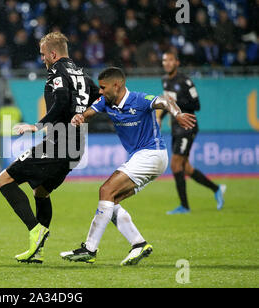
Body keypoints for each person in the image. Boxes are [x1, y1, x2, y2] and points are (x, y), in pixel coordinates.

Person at [60, 67, 196, 265]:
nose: (100, 91)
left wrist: (177, 114)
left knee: (105, 189)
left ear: (117, 85)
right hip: (144, 157)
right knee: (110, 201)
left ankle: (89, 249)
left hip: (151, 154)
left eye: (103, 87)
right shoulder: (106, 101)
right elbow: (89, 112)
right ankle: (138, 244)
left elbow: (165, 101)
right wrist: (80, 117)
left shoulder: (139, 99)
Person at [0, 32, 100, 264]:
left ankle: (36, 230)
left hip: (57, 143)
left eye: (43, 54)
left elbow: (61, 101)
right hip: (76, 146)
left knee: (3, 180)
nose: (43, 59)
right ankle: (37, 250)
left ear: (53, 54)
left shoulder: (57, 70)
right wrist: (83, 115)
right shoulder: (82, 74)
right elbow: (100, 96)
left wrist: (36, 125)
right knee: (41, 192)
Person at [160, 51, 226, 214]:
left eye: (170, 60)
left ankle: (185, 206)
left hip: (187, 127)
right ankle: (216, 189)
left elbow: (196, 105)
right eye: (164, 61)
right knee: (186, 168)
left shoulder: (185, 81)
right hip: (176, 128)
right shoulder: (165, 81)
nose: (167, 63)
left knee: (175, 164)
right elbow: (169, 104)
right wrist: (161, 116)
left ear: (177, 62)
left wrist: (176, 102)